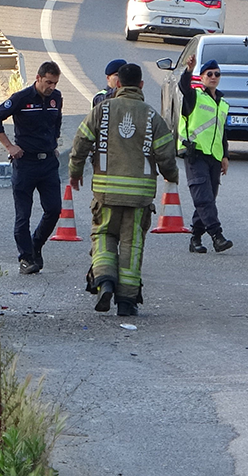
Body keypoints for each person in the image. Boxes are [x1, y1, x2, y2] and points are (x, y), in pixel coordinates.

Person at [69, 63, 178, 317]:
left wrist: (75, 173)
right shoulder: (152, 116)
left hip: (106, 194)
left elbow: (80, 142)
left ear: (117, 84)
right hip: (139, 197)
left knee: (104, 236)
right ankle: (127, 303)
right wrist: (171, 176)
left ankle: (105, 280)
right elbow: (166, 154)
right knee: (132, 244)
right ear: (141, 85)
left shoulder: (101, 111)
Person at [0, 61, 63, 275]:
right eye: (48, 82)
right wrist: (10, 146)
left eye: (55, 83)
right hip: (25, 163)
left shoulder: (56, 98)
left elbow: (56, 122)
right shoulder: (22, 98)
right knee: (23, 215)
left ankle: (35, 245)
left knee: (54, 209)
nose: (51, 87)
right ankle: (25, 257)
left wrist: (54, 144)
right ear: (38, 78)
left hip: (48, 163)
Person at [179, 56, 233, 254]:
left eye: (217, 74)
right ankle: (217, 236)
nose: (213, 77)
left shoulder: (223, 103)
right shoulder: (194, 96)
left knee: (208, 198)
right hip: (195, 153)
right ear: (201, 77)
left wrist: (225, 156)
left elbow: (222, 132)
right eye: (209, 74)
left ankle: (195, 238)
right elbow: (183, 85)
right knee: (203, 198)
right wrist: (189, 69)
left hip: (214, 157)